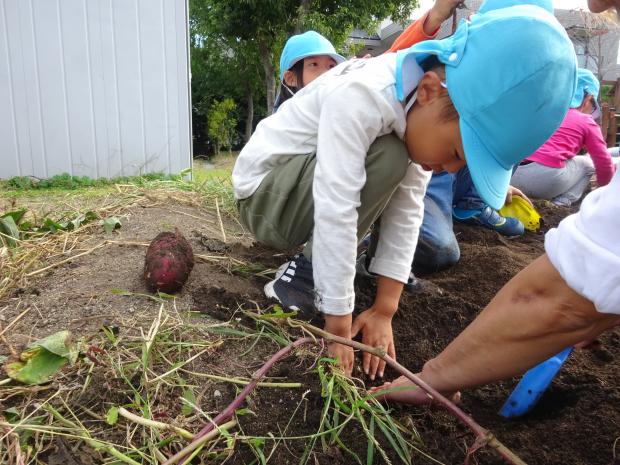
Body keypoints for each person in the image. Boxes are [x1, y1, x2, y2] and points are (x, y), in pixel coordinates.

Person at [232, 5, 576, 377]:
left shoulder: (413, 106)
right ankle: (305, 277)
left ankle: (346, 268)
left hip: (301, 196)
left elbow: (409, 210)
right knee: (391, 155)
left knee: (397, 159)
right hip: (265, 198)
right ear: (429, 91)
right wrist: (338, 325)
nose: (451, 168)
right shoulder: (362, 95)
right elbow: (337, 206)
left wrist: (385, 309)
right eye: (458, 153)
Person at [369, 0, 620, 406]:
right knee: (437, 242)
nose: (598, 5)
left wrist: (435, 378)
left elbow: (562, 301)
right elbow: (565, 299)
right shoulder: (381, 105)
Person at [511, 68, 619, 206]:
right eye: (592, 106)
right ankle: (562, 203)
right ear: (587, 99)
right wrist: (605, 192)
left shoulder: (543, 109)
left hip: (511, 176)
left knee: (572, 160)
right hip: (544, 182)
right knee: (588, 164)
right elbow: (603, 162)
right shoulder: (586, 121)